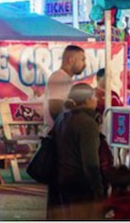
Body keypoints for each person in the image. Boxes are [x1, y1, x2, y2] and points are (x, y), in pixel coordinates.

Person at [54, 83, 104, 220]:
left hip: (63, 178)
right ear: (87, 100)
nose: (96, 100)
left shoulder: (62, 118)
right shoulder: (87, 123)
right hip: (80, 183)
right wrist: (99, 190)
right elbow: (90, 161)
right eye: (94, 97)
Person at [45, 45, 86, 127]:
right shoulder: (59, 78)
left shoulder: (65, 78)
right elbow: (55, 108)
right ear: (71, 60)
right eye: (82, 60)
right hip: (58, 135)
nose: (84, 64)